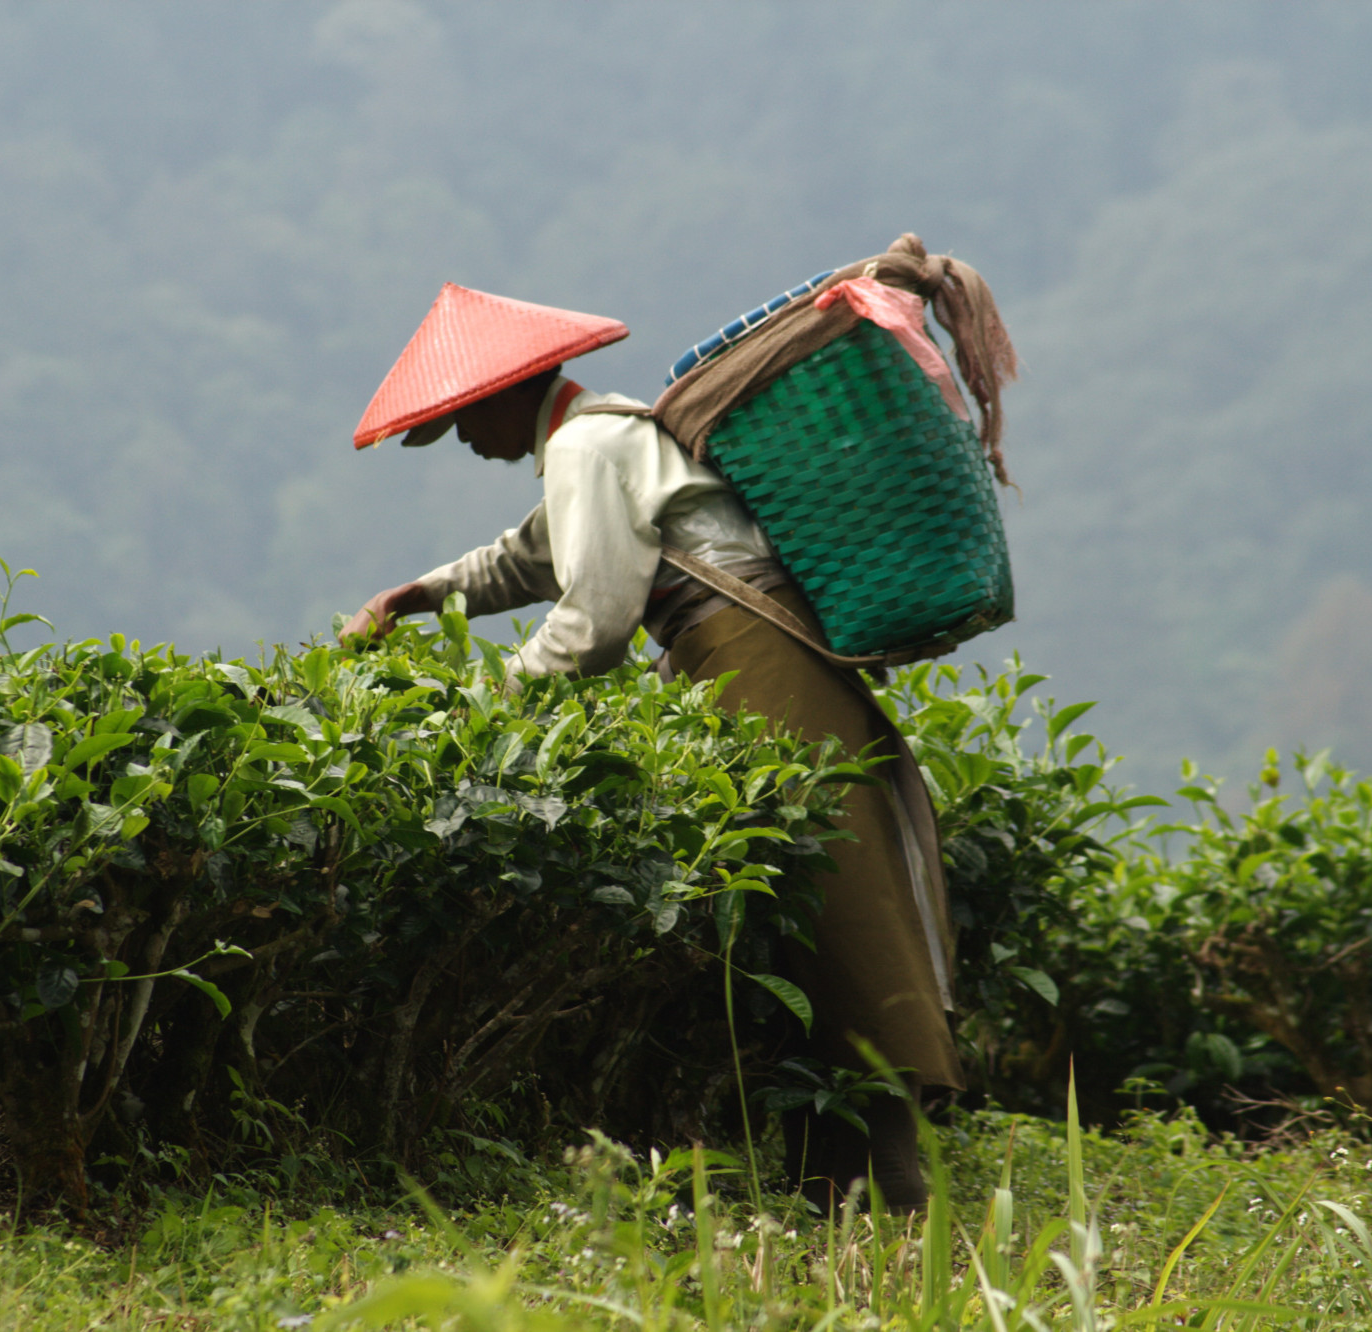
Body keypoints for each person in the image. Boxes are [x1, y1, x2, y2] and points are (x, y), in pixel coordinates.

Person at [341, 281, 963, 1210]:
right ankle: (835, 1185)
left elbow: (592, 624)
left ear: (510, 392)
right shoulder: (592, 441)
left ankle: (890, 1192)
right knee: (801, 908)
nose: (467, 442)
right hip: (745, 653)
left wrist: (486, 712)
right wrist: (416, 595)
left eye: (466, 421)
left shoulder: (587, 444)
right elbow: (531, 554)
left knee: (838, 906)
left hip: (752, 655)